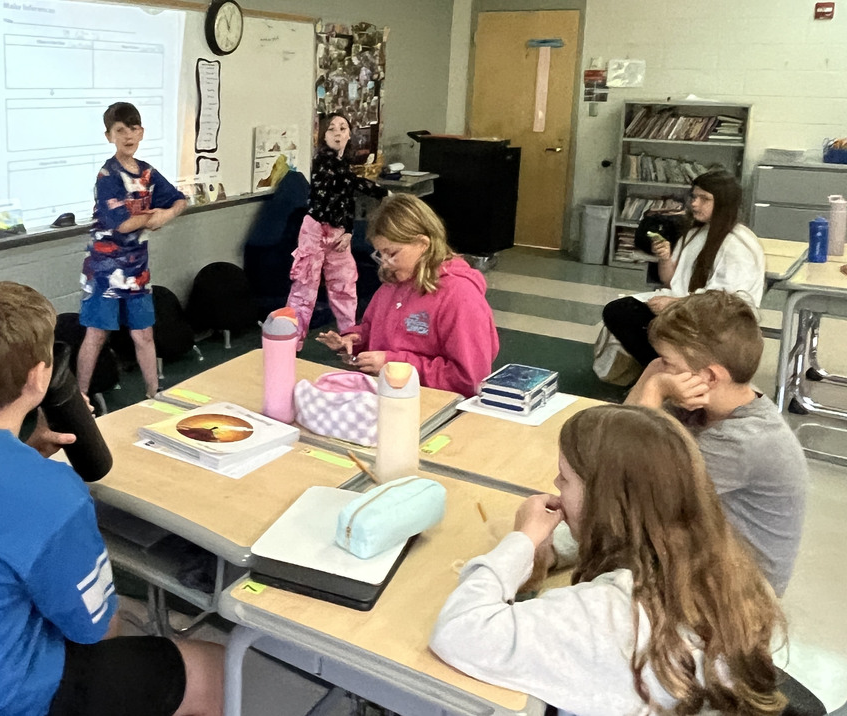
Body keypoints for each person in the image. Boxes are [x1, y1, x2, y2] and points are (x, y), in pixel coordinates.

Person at [0, 281, 223, 716]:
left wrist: (23, 456)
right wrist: (32, 476)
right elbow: (99, 631)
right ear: (38, 376)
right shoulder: (50, 494)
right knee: (209, 666)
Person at [430, 405, 786, 716]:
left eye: (565, 478)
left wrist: (522, 541)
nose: (555, 484)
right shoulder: (727, 567)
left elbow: (458, 630)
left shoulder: (608, 615)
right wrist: (554, 546)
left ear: (606, 505)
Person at [626, 290, 808, 596]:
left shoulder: (743, 441)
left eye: (666, 362)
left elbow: (627, 479)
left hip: (737, 597)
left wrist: (654, 391)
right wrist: (652, 374)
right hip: (701, 554)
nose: (661, 369)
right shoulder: (700, 404)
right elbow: (621, 434)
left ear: (709, 376)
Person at [317, 193, 498, 397]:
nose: (385, 263)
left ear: (423, 243)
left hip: (434, 405)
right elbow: (375, 328)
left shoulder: (460, 296)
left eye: (392, 253)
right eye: (380, 254)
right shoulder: (393, 283)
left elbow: (469, 379)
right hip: (390, 395)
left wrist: (392, 364)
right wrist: (354, 339)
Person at [77, 101, 187, 401]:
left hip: (137, 270)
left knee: (144, 334)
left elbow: (179, 199)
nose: (128, 135)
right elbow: (123, 224)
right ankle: (81, 398)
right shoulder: (107, 176)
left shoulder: (147, 173)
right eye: (120, 130)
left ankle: (154, 391)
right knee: (97, 334)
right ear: (109, 136)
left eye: (133, 129)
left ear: (142, 132)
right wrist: (154, 216)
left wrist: (167, 214)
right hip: (105, 269)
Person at [602, 168, 764, 367]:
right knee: (620, 311)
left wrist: (675, 303)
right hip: (691, 304)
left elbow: (727, 303)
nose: (694, 203)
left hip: (718, 318)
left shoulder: (737, 244)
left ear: (724, 203)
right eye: (694, 196)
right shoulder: (696, 232)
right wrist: (665, 258)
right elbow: (670, 280)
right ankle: (668, 369)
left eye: (704, 199)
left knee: (624, 315)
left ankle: (673, 372)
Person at [286, 112, 386, 347]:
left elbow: (347, 200)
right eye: (332, 129)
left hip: (339, 233)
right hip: (315, 231)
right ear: (323, 135)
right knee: (305, 290)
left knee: (345, 285)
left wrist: (349, 231)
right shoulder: (323, 161)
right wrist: (383, 192)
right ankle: (292, 342)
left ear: (350, 133)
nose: (338, 133)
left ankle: (349, 336)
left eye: (343, 128)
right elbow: (349, 182)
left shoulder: (343, 164)